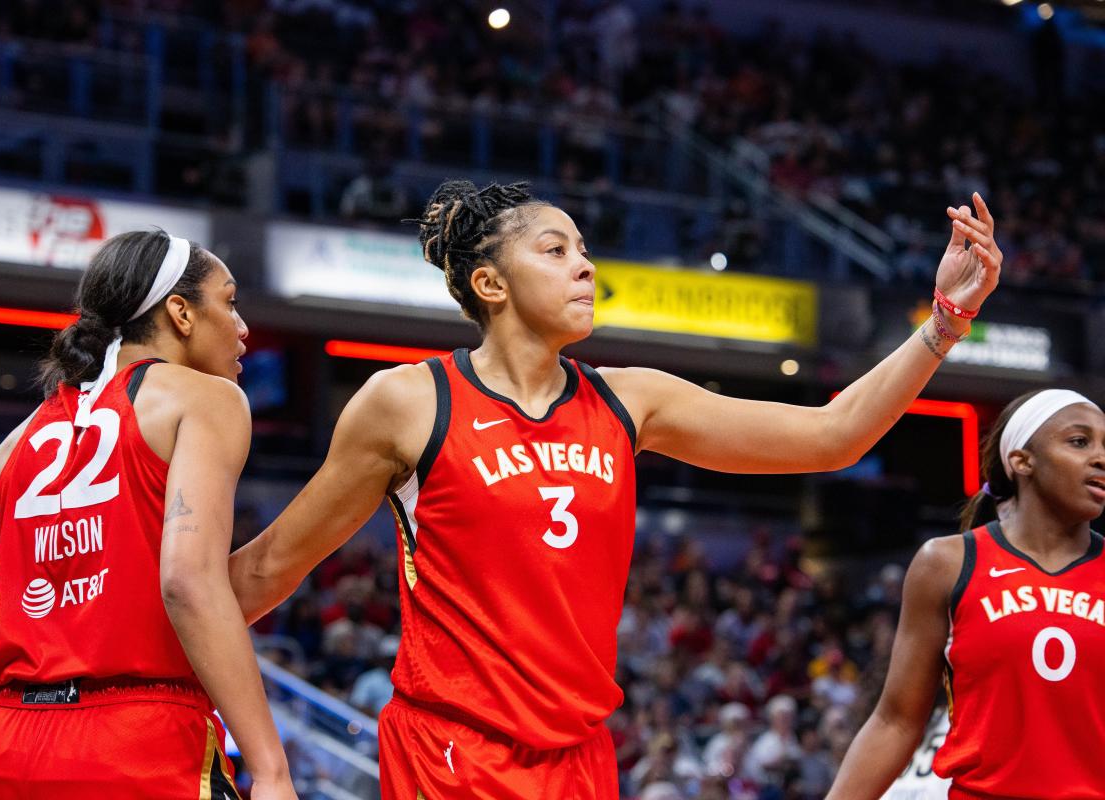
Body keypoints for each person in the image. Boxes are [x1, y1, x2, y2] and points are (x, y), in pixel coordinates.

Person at [229, 181, 1001, 799]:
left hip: (582, 757)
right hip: (450, 752)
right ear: (490, 282)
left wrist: (944, 322)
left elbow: (833, 437)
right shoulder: (409, 401)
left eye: (585, 250)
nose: (585, 265)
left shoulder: (630, 399)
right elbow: (270, 570)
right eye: (556, 249)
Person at [0, 231, 295, 799]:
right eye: (230, 302)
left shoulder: (17, 443)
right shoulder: (204, 399)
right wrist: (271, 769)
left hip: (11, 748)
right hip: (140, 744)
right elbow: (187, 582)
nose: (243, 328)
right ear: (180, 313)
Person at [827, 389, 1105, 798]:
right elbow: (896, 721)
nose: (1100, 456)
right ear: (1021, 461)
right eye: (1079, 441)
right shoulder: (947, 563)